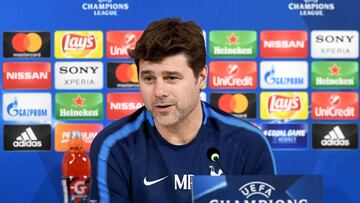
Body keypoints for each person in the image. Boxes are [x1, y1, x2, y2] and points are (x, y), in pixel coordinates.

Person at [89, 17, 276, 203]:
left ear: (201, 77)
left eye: (171, 78)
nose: (159, 91)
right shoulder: (113, 146)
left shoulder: (249, 143)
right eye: (148, 79)